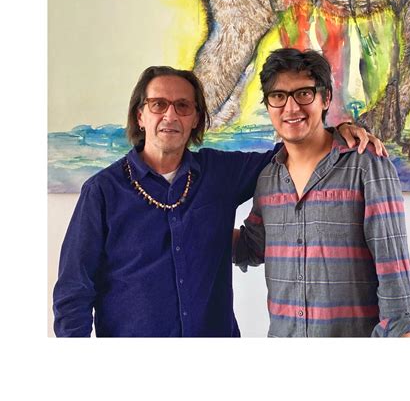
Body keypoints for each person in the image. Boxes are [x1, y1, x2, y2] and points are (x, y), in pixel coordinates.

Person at [53, 65, 383, 337]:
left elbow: (291, 151)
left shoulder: (219, 173)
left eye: (183, 106)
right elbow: (74, 291)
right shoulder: (102, 192)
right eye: (158, 105)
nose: (171, 115)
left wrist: (338, 130)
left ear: (196, 118)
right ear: (140, 116)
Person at [234, 48, 410, 337]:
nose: (291, 108)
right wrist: (190, 222)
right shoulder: (268, 178)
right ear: (268, 104)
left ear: (325, 99)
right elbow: (252, 247)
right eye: (278, 96)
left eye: (304, 94)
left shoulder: (366, 166)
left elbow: (393, 273)